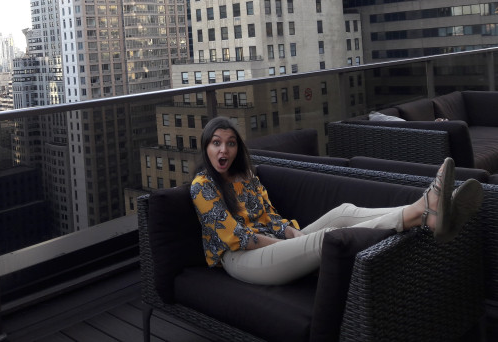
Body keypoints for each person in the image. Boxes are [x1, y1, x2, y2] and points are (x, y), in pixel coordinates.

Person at [190, 116, 484, 285]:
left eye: (230, 143)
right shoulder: (202, 186)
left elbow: (271, 217)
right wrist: (290, 243)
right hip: (241, 259)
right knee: (328, 238)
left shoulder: (246, 176)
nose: (223, 150)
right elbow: (238, 237)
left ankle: (428, 211)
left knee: (344, 212)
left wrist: (292, 234)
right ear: (206, 148)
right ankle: (425, 213)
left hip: (272, 243)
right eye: (216, 143)